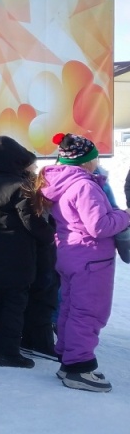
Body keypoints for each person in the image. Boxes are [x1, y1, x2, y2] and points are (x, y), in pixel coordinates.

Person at [35, 133, 130, 392]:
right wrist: (125, 215)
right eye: (95, 156)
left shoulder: (62, 181)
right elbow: (99, 226)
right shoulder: (84, 186)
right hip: (91, 258)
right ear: (86, 160)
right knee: (89, 312)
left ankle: (69, 360)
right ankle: (79, 367)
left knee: (71, 308)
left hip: (71, 254)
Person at [0, 136, 55, 369]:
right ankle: (8, 352)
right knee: (14, 303)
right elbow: (31, 221)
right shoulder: (20, 186)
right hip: (18, 252)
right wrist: (50, 234)